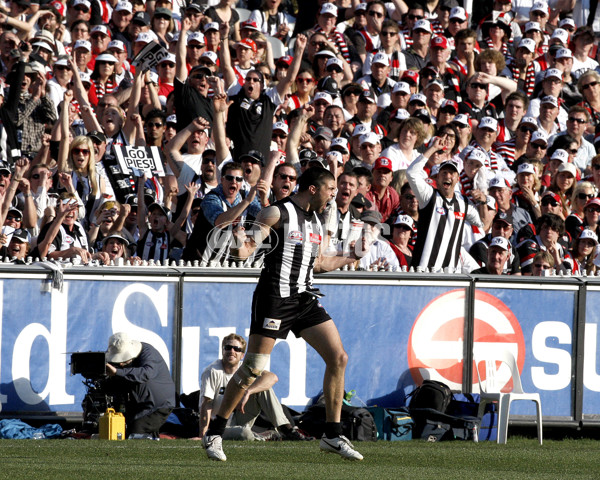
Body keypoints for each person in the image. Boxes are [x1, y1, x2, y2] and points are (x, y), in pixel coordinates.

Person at [202, 167, 368, 462]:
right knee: (253, 367)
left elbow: (318, 264)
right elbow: (245, 252)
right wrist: (238, 237)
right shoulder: (276, 213)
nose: (334, 194)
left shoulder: (316, 220)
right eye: (331, 189)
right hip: (275, 299)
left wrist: (352, 255)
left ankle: (331, 434)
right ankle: (214, 431)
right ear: (314, 189)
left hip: (304, 298)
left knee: (339, 357)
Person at [199, 333, 310, 441]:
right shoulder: (213, 371)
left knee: (263, 388)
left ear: (242, 355)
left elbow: (273, 377)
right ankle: (265, 435)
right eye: (228, 347)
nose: (231, 351)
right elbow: (206, 405)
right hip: (219, 425)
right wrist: (203, 435)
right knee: (245, 433)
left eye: (236, 349)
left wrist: (248, 391)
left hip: (239, 417)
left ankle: (286, 429)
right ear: (223, 350)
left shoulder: (245, 368)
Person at [406, 136, 484, 270]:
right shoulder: (429, 196)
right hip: (423, 271)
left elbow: (481, 223)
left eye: (452, 173)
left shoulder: (464, 204)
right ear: (437, 177)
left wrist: (483, 202)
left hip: (448, 275)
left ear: (457, 178)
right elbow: (411, 173)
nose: (448, 176)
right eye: (444, 173)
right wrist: (433, 149)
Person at [105, 332, 176, 436]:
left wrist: (117, 372)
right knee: (126, 428)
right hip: (138, 403)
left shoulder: (148, 352)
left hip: (158, 405)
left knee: (137, 429)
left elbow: (146, 373)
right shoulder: (116, 350)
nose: (120, 363)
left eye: (123, 359)